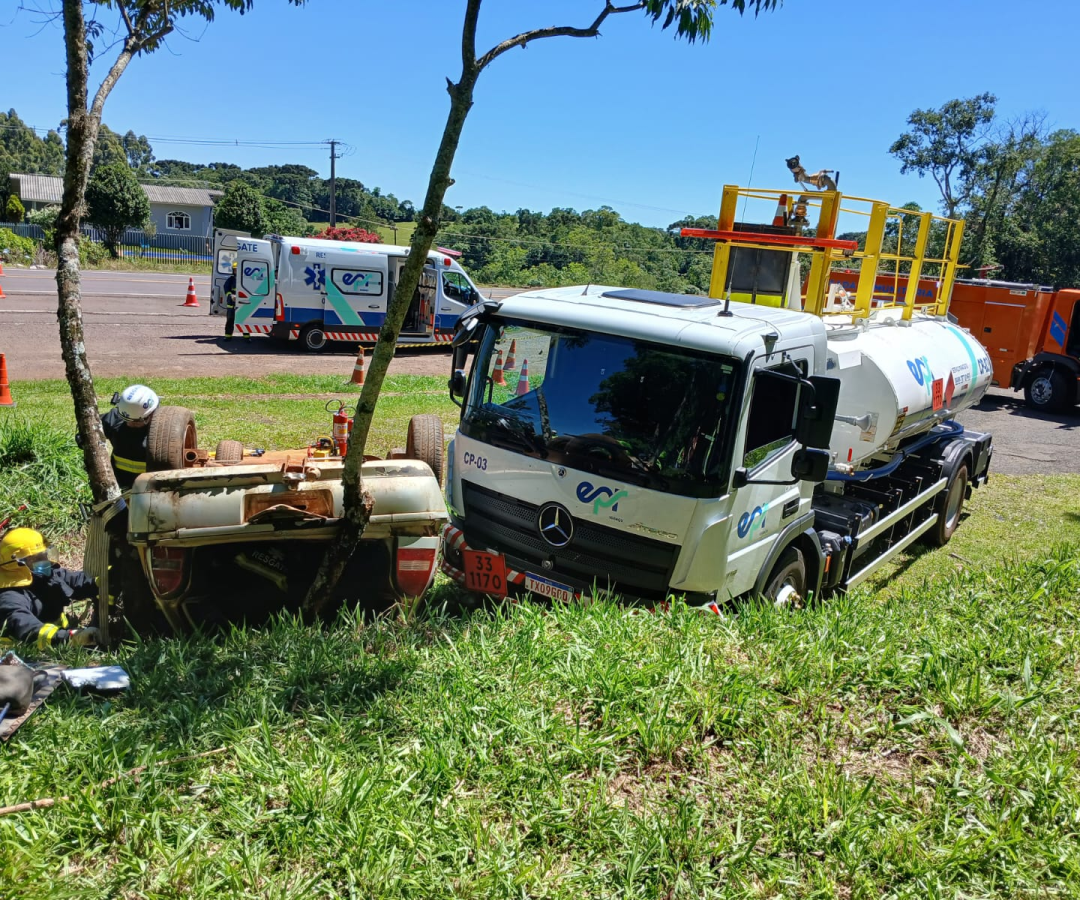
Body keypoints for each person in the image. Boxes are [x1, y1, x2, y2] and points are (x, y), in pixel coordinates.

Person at [0, 528, 99, 649]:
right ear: (17, 564)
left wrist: (101, 580)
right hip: (27, 654)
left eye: (45, 555)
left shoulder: (44, 576)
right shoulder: (10, 598)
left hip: (59, 641)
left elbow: (77, 580)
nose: (45, 561)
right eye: (37, 559)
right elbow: (29, 629)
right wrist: (70, 638)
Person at [99, 384, 159, 490]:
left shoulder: (164, 431)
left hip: (151, 489)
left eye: (136, 421)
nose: (130, 424)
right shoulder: (115, 420)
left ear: (152, 413)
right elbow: (91, 427)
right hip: (119, 487)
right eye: (127, 420)